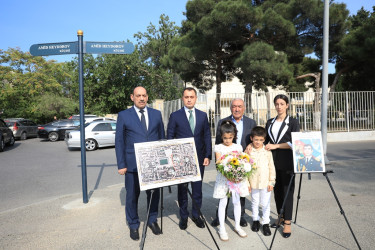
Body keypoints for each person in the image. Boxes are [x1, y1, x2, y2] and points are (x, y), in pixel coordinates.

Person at [115, 86, 165, 241]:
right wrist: (121, 164)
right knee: (131, 196)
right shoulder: (124, 115)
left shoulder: (156, 114)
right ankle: (134, 224)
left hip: (153, 165)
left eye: (144, 95)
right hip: (132, 165)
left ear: (147, 97)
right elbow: (119, 141)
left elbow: (162, 139)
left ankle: (152, 220)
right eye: (138, 96)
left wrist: (163, 162)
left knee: (154, 194)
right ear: (132, 97)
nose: (141, 98)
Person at [167, 87, 212, 230]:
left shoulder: (203, 115)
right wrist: (172, 158)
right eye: (186, 97)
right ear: (182, 98)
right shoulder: (175, 116)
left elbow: (206, 136)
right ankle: (184, 216)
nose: (189, 99)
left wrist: (207, 155)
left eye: (191, 97)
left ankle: (196, 215)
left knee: (197, 190)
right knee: (183, 189)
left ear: (196, 98)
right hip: (181, 160)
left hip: (199, 158)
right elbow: (170, 138)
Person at [211, 98, 257, 227]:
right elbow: (218, 144)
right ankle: (220, 216)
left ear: (244, 108)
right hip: (225, 163)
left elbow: (253, 141)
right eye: (234, 106)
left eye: (239, 106)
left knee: (239, 192)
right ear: (231, 108)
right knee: (224, 193)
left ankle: (240, 216)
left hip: (241, 162)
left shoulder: (251, 122)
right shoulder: (223, 122)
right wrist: (219, 165)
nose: (237, 109)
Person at [265, 94, 300, 238]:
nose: (279, 106)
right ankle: (280, 216)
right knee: (277, 191)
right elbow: (265, 140)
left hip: (288, 162)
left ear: (287, 105)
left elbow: (295, 142)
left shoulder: (293, 122)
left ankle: (287, 222)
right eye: (277, 104)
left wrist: (276, 145)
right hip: (272, 162)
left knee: (287, 192)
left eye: (282, 103)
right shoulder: (269, 122)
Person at [213, 120, 249, 241]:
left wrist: (237, 175)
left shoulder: (238, 147)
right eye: (225, 138)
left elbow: (241, 161)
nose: (227, 140)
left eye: (230, 137)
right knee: (223, 203)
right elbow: (218, 164)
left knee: (237, 202)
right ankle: (222, 228)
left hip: (236, 180)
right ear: (221, 137)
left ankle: (237, 226)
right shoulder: (218, 147)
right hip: (224, 179)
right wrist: (228, 175)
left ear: (234, 136)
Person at [247, 126, 276, 236]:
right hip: (253, 182)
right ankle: (255, 220)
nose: (258, 142)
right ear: (251, 138)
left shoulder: (267, 152)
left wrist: (271, 181)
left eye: (260, 140)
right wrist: (247, 183)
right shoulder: (249, 151)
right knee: (254, 202)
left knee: (265, 203)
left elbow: (271, 167)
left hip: (265, 183)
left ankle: (265, 223)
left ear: (264, 139)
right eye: (256, 139)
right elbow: (245, 168)